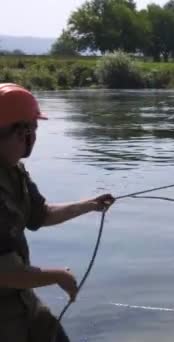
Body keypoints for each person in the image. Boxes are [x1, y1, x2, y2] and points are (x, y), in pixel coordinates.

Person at [0, 83, 115, 342]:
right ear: (22, 132)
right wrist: (57, 276)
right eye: (34, 128)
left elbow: (40, 215)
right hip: (7, 307)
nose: (34, 137)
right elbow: (5, 273)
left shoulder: (12, 169)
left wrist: (90, 205)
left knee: (49, 331)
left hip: (19, 298)